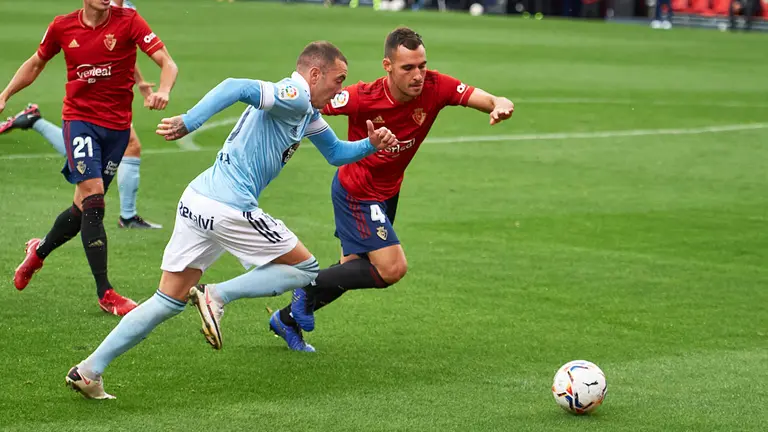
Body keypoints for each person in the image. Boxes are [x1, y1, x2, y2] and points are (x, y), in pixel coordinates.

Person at [64, 41, 397, 399]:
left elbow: (335, 153)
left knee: (166, 301)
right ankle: (216, 295)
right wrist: (190, 121)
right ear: (314, 74)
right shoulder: (296, 94)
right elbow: (235, 85)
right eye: (338, 80)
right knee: (306, 269)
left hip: (198, 200)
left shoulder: (308, 113)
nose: (340, 90)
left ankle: (88, 370)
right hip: (228, 205)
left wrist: (369, 144)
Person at [273, 27, 515, 350]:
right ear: (387, 66)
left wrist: (499, 103)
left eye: (422, 65)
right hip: (357, 192)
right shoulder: (363, 96)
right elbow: (308, 101)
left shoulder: (435, 86)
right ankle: (307, 284)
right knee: (391, 268)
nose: (418, 75)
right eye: (408, 68)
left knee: (351, 272)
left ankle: (286, 320)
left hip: (388, 192)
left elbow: (478, 97)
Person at [0, 0, 178, 315]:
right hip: (79, 121)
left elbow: (167, 61)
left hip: (118, 129)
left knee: (82, 209)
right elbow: (36, 63)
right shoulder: (62, 26)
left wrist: (163, 90)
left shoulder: (129, 20)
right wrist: (4, 94)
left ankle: (38, 253)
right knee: (94, 197)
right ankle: (106, 292)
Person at [0, 0, 162, 229]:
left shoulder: (125, 12)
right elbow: (39, 62)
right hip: (93, 104)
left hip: (112, 101)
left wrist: (140, 82)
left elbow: (120, 51)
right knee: (117, 149)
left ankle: (35, 120)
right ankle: (127, 216)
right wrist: (5, 93)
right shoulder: (100, 12)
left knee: (104, 155)